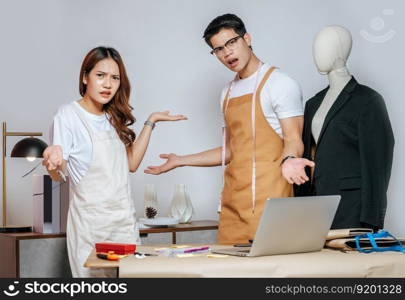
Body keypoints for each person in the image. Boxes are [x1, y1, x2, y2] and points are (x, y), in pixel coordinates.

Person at [145, 14, 313, 244]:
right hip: (232, 205)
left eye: (232, 43)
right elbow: (232, 150)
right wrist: (181, 160)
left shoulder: (281, 84)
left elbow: (293, 138)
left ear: (247, 38)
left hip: (270, 205)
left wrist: (292, 158)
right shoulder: (227, 93)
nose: (227, 53)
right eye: (218, 49)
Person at [42, 46, 186, 277]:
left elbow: (131, 163)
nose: (108, 84)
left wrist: (151, 121)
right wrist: (53, 161)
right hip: (90, 227)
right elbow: (59, 174)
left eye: (115, 78)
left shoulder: (114, 115)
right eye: (100, 76)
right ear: (85, 77)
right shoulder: (68, 115)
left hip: (124, 223)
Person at [294, 26, 394, 230]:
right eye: (316, 47)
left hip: (352, 209)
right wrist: (301, 208)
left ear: (341, 51)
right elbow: (307, 156)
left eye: (324, 47)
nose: (317, 53)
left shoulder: (368, 100)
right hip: (316, 208)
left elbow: (377, 166)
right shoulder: (313, 103)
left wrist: (372, 221)